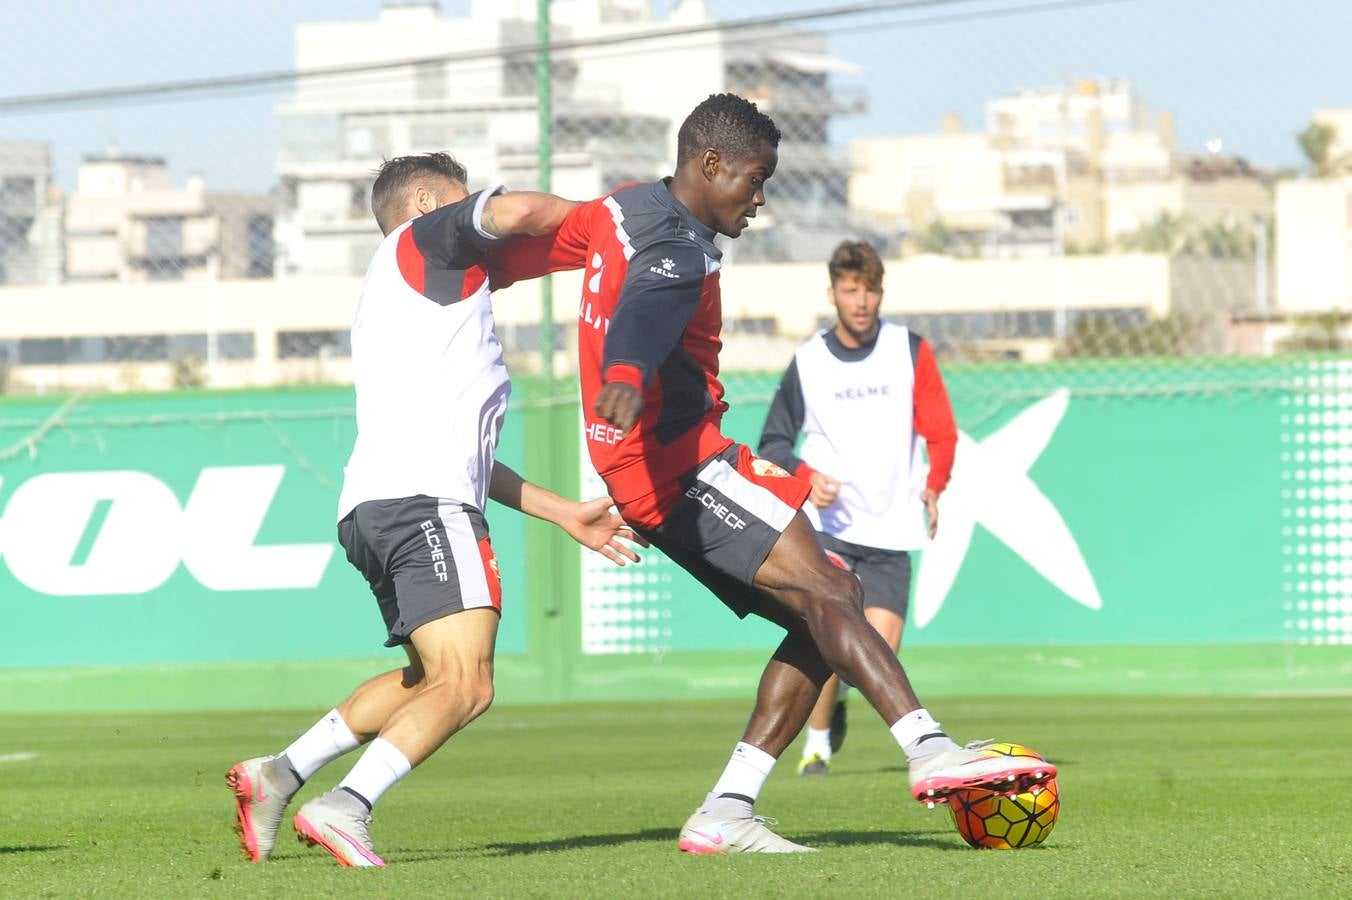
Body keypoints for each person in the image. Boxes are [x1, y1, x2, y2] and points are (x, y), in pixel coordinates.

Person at [487, 94, 1054, 854]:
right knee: (831, 593)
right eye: (754, 180)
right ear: (710, 164)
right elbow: (649, 308)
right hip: (676, 461)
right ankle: (929, 750)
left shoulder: (619, 210)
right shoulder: (681, 247)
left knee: (826, 611)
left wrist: (473, 266)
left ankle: (728, 807)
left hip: (660, 460)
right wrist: (623, 368)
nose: (760, 199)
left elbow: (553, 245)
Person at [225, 153, 642, 868]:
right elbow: (514, 214)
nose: (468, 213)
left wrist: (564, 511)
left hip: (380, 505)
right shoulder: (421, 240)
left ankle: (280, 774)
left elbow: (475, 458)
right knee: (468, 684)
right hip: (422, 504)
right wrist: (616, 222)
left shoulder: (417, 292)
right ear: (425, 202)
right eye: (457, 198)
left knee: (427, 681)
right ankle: (345, 806)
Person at [756, 240, 957, 777]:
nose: (861, 301)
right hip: (830, 531)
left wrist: (935, 486)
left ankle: (840, 701)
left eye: (869, 290)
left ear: (880, 293)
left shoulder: (910, 349)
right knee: (830, 637)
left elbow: (940, 430)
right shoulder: (809, 361)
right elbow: (773, 442)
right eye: (850, 290)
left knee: (878, 650)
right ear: (833, 294)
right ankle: (817, 745)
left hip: (891, 528)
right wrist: (805, 477)